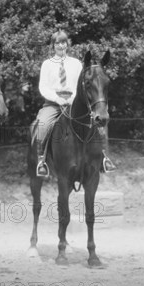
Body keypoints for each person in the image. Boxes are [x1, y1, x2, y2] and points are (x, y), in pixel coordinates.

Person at [34, 30, 116, 178]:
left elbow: (81, 85)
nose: (61, 45)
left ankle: (103, 157)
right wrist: (57, 99)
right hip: (53, 103)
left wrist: (73, 98)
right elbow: (43, 87)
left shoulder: (76, 64)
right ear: (53, 45)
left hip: (73, 102)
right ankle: (42, 161)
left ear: (67, 44)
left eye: (63, 42)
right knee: (43, 123)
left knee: (95, 121)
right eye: (57, 43)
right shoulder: (47, 64)